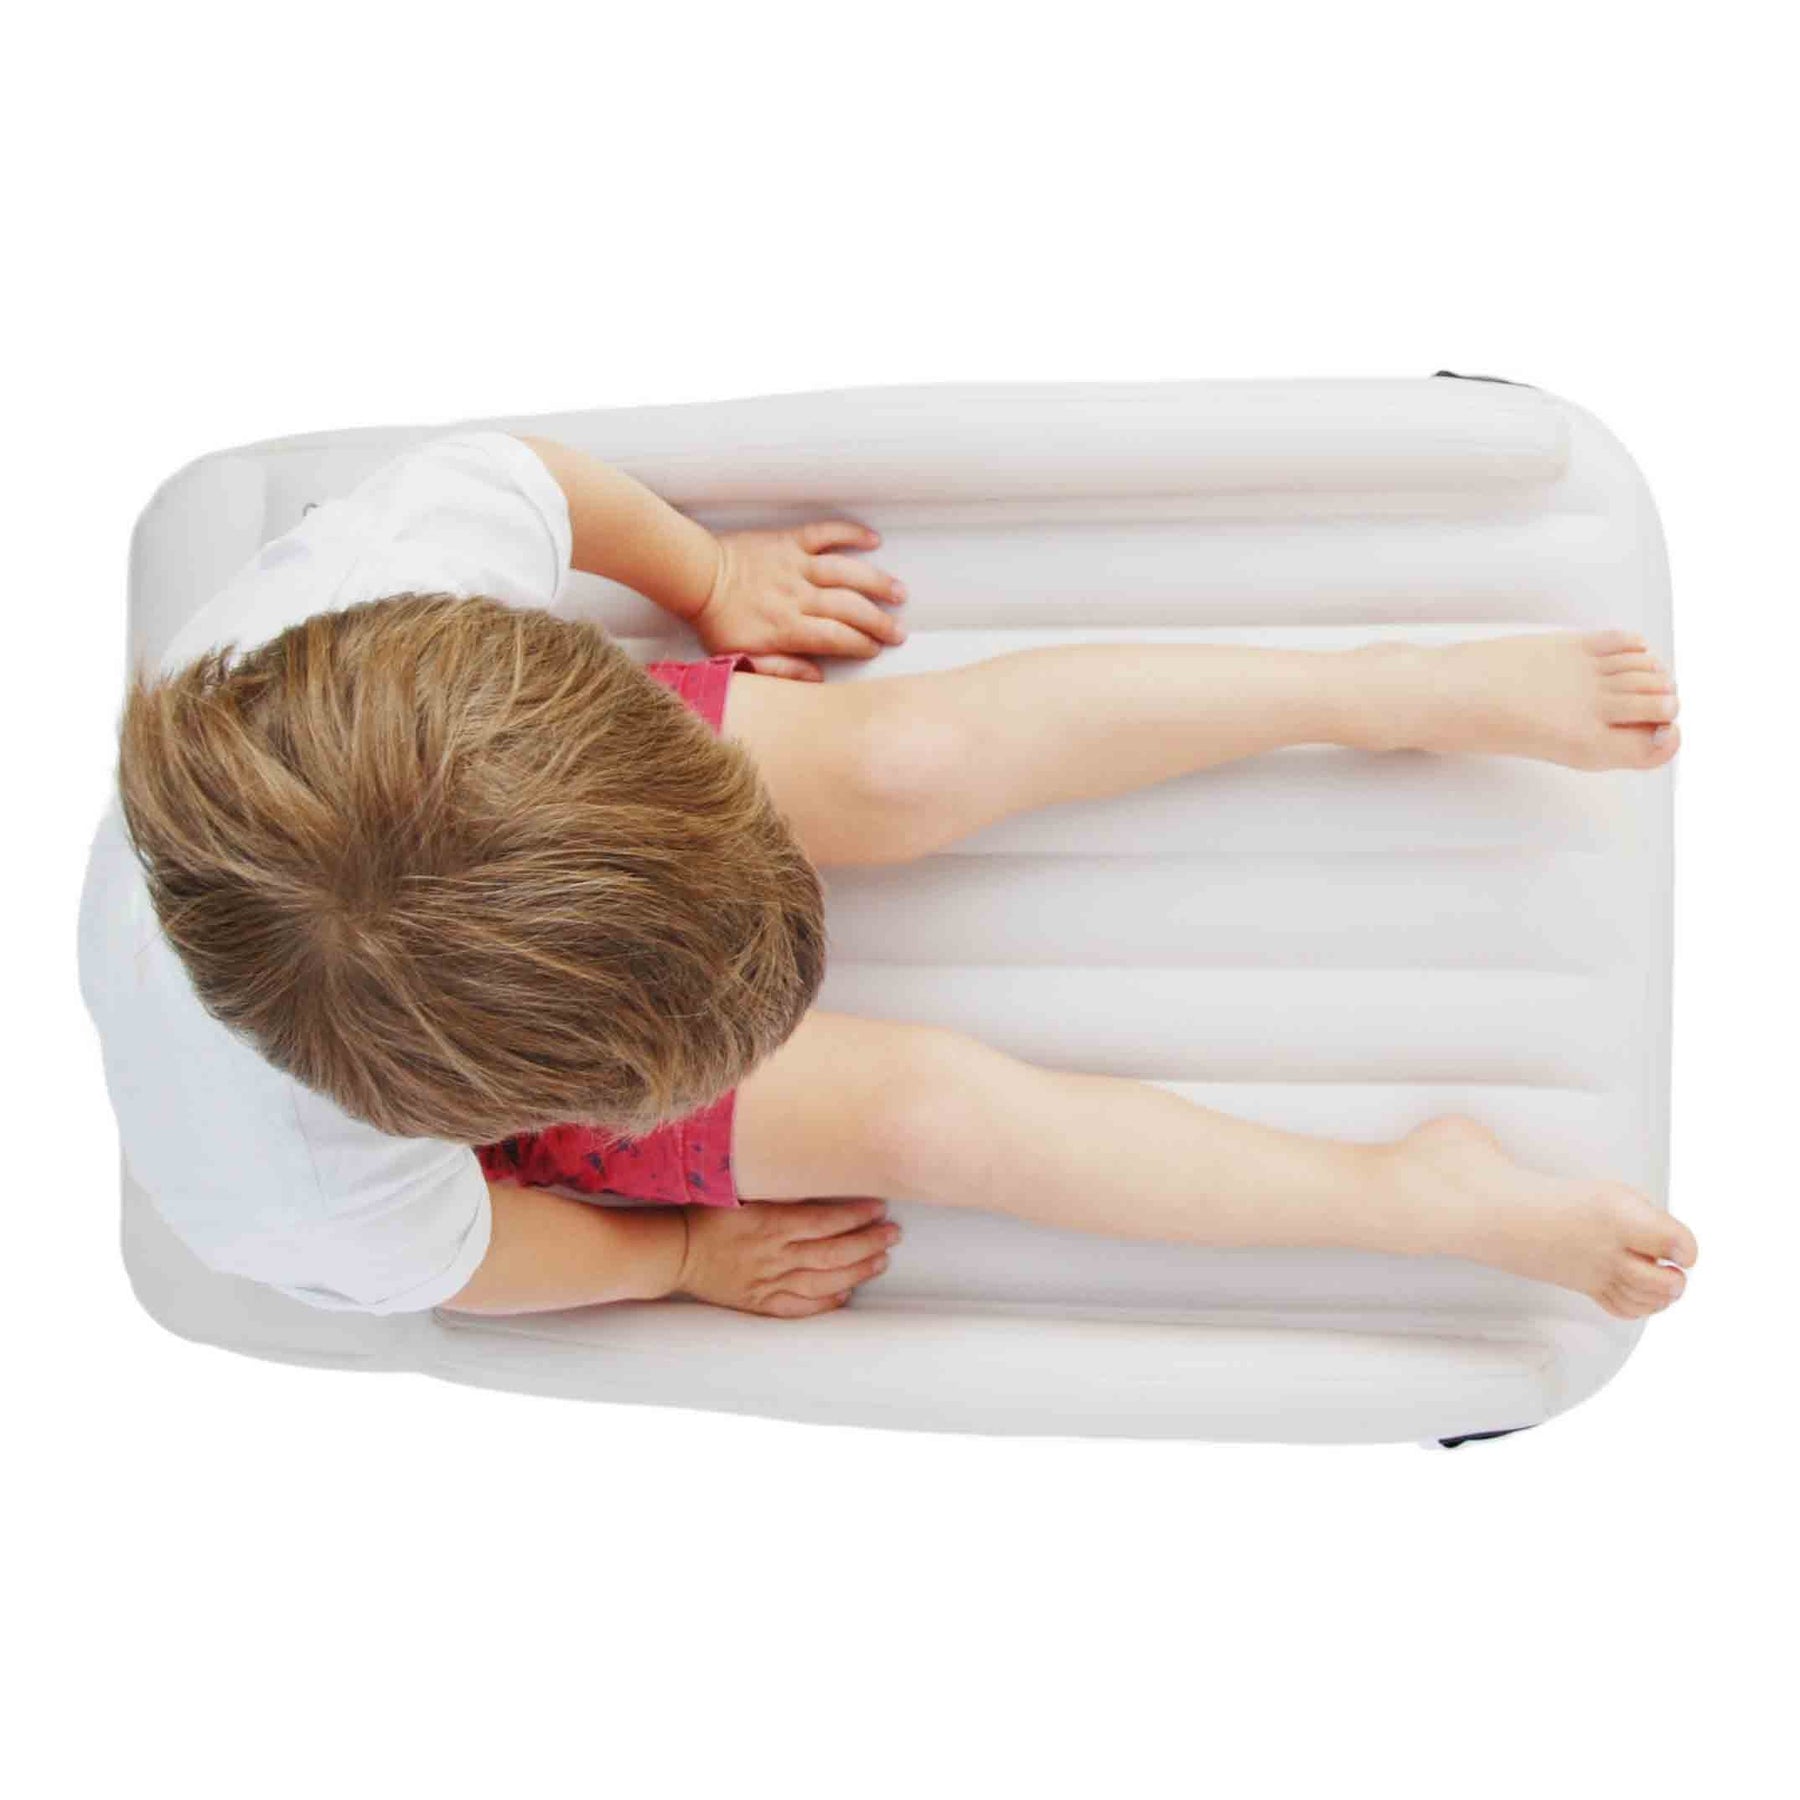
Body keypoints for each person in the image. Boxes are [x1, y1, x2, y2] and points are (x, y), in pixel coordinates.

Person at [80, 430, 1697, 1328]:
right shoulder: (292, 1183)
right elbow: (481, 1260)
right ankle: (1411, 1199)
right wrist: (675, 1259)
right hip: (447, 1002)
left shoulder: (386, 600)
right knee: (928, 1118)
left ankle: (1386, 691)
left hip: (482, 785)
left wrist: (707, 573)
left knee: (903, 762)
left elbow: (530, 481)